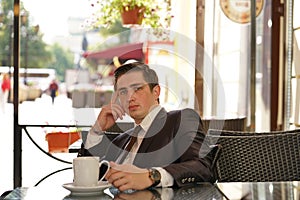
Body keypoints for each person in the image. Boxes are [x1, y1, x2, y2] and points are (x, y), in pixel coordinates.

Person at [82, 62, 216, 191]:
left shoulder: (180, 120)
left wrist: (152, 176)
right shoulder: (121, 140)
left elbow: (203, 167)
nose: (130, 97)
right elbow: (84, 176)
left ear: (156, 92)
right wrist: (96, 130)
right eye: (123, 92)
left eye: (138, 89)